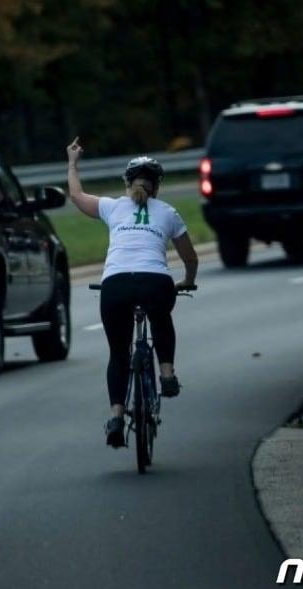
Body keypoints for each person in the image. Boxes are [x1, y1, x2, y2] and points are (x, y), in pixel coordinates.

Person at [66, 137, 199, 448]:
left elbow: (75, 195)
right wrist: (188, 280)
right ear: (158, 186)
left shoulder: (112, 207)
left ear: (127, 183)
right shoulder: (168, 212)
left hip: (116, 284)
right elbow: (190, 257)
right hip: (156, 282)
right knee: (161, 317)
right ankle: (166, 373)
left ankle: (115, 415)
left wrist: (73, 162)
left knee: (118, 353)